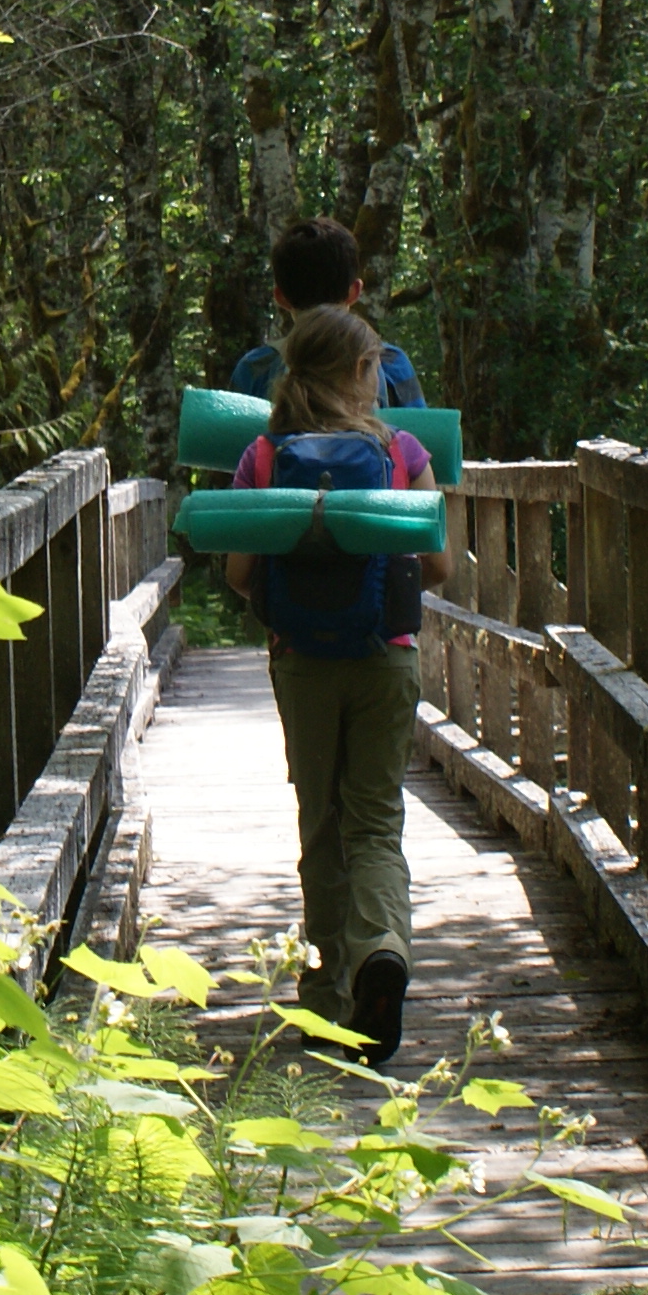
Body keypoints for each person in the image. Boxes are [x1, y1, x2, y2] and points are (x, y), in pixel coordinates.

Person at [223, 305, 451, 1068]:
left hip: (303, 664)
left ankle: (326, 996)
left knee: (320, 820)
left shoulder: (262, 454)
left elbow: (238, 573)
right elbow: (441, 565)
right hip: (386, 657)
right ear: (363, 374)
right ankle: (381, 947)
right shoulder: (403, 450)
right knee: (376, 820)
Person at [230, 217, 427, 408]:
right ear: (355, 291)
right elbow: (423, 437)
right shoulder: (391, 363)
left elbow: (233, 439)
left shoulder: (255, 368)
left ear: (280, 297)